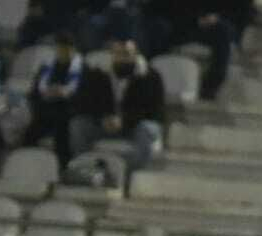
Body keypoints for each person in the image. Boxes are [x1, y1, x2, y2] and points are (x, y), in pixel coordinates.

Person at [71, 37, 166, 172]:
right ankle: (84, 170)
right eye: (118, 54)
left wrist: (124, 120)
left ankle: (129, 175)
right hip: (105, 125)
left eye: (127, 54)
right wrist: (103, 118)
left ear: (136, 55)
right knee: (78, 125)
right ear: (112, 55)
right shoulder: (97, 74)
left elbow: (155, 112)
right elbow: (83, 104)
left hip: (134, 127)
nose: (122, 58)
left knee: (148, 129)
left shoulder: (151, 77)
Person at [24, 31, 86, 171]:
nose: (63, 52)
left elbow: (85, 97)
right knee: (30, 133)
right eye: (60, 49)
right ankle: (27, 167)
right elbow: (34, 93)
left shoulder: (83, 69)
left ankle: (63, 168)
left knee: (62, 128)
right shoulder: (47, 67)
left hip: (69, 112)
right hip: (45, 110)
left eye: (66, 49)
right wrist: (46, 94)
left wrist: (64, 93)